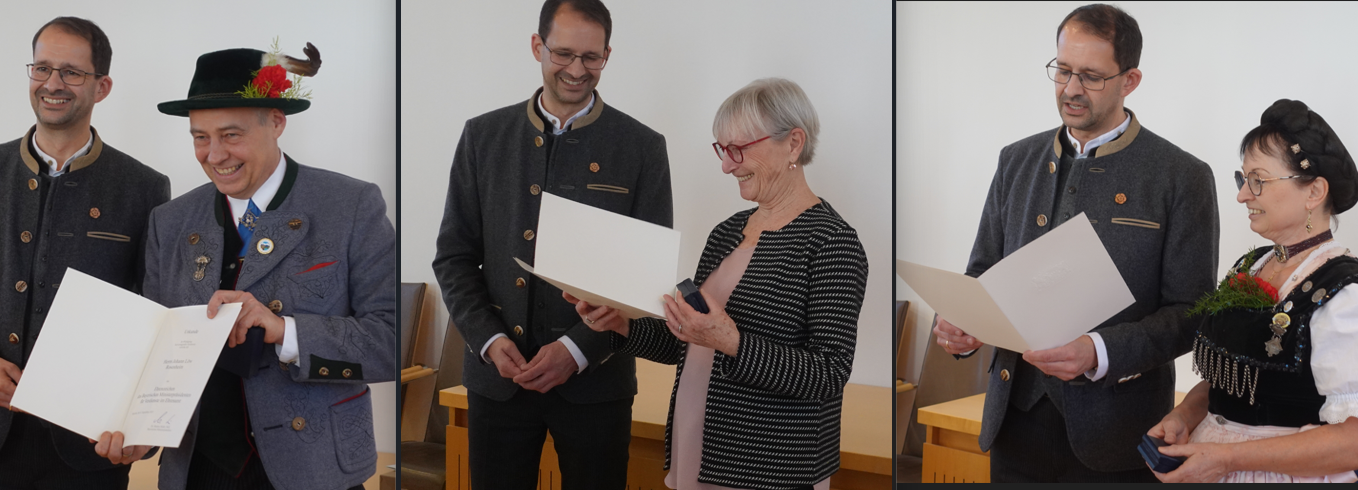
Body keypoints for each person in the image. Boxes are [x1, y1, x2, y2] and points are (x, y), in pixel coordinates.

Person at [929, 3, 1219, 482]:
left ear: (1131, 80)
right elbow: (980, 273)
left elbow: (1190, 313)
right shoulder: (1015, 160)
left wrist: (1098, 351)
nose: (1070, 89)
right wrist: (959, 327)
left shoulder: (1182, 177)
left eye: (1090, 76)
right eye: (1062, 70)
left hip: (1118, 435)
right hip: (1012, 425)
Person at [94, 44, 396, 489]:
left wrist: (284, 330)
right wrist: (139, 434)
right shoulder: (170, 221)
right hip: (198, 469)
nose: (214, 155)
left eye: (231, 134)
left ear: (276, 122)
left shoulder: (351, 205)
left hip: (313, 469)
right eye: (200, 136)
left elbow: (390, 340)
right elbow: (159, 353)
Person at [572, 78, 868, 490]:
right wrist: (621, 325)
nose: (727, 165)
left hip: (769, 469)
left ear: (794, 144)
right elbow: (689, 342)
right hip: (698, 448)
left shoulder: (832, 242)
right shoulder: (726, 232)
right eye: (722, 150)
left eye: (738, 150)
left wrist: (733, 342)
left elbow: (828, 373)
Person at [431, 0, 672, 488]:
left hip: (597, 385)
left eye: (592, 57)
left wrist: (576, 350)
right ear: (537, 46)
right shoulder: (482, 136)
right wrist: (490, 341)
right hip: (497, 380)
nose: (577, 70)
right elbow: (454, 257)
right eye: (563, 54)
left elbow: (645, 280)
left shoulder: (643, 146)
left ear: (607, 54)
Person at [1145, 99, 1358, 483]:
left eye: (1258, 180)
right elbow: (1232, 377)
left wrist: (1229, 459)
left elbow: (1352, 442)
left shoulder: (1343, 295)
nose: (1243, 195)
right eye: (1242, 179)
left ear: (1314, 192)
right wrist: (1184, 416)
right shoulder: (1252, 265)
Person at [0, 16, 170, 489]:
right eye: (42, 68)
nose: (53, 84)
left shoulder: (146, 189)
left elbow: (155, 318)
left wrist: (143, 431)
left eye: (71, 72)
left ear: (103, 86)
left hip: (88, 446)